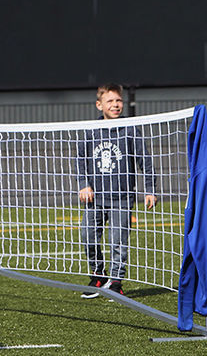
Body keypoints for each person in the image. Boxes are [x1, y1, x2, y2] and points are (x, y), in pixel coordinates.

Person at [75, 83, 156, 299]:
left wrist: (150, 189)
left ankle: (116, 282)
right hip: (95, 198)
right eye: (110, 101)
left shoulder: (130, 129)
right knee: (88, 235)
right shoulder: (91, 131)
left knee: (118, 241)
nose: (115, 105)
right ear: (99, 105)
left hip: (121, 197)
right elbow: (81, 160)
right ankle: (98, 275)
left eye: (118, 100)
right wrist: (84, 184)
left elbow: (144, 161)